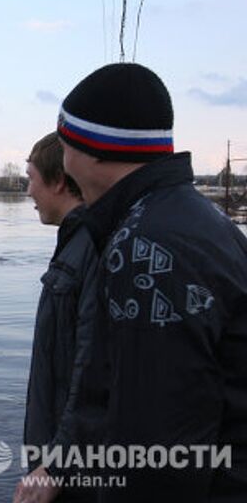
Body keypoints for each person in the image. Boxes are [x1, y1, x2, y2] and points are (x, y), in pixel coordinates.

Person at [53, 63, 247, 501]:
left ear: (95, 150)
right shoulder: (195, 218)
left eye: (67, 148)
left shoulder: (145, 249)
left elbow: (156, 450)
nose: (64, 166)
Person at [14, 133, 99, 503]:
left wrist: (57, 465)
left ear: (59, 181)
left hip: (72, 475)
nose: (29, 191)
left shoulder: (91, 248)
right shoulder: (76, 243)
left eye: (31, 178)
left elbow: (92, 371)